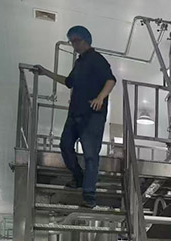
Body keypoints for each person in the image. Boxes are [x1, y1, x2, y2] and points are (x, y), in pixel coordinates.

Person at [36, 25, 116, 208]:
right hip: (75, 113)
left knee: (91, 156)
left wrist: (100, 98)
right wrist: (45, 72)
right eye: (72, 42)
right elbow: (68, 82)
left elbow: (111, 80)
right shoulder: (79, 63)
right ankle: (79, 178)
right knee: (65, 145)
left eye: (76, 41)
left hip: (92, 115)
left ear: (85, 40)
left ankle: (89, 195)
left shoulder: (96, 59)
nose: (73, 45)